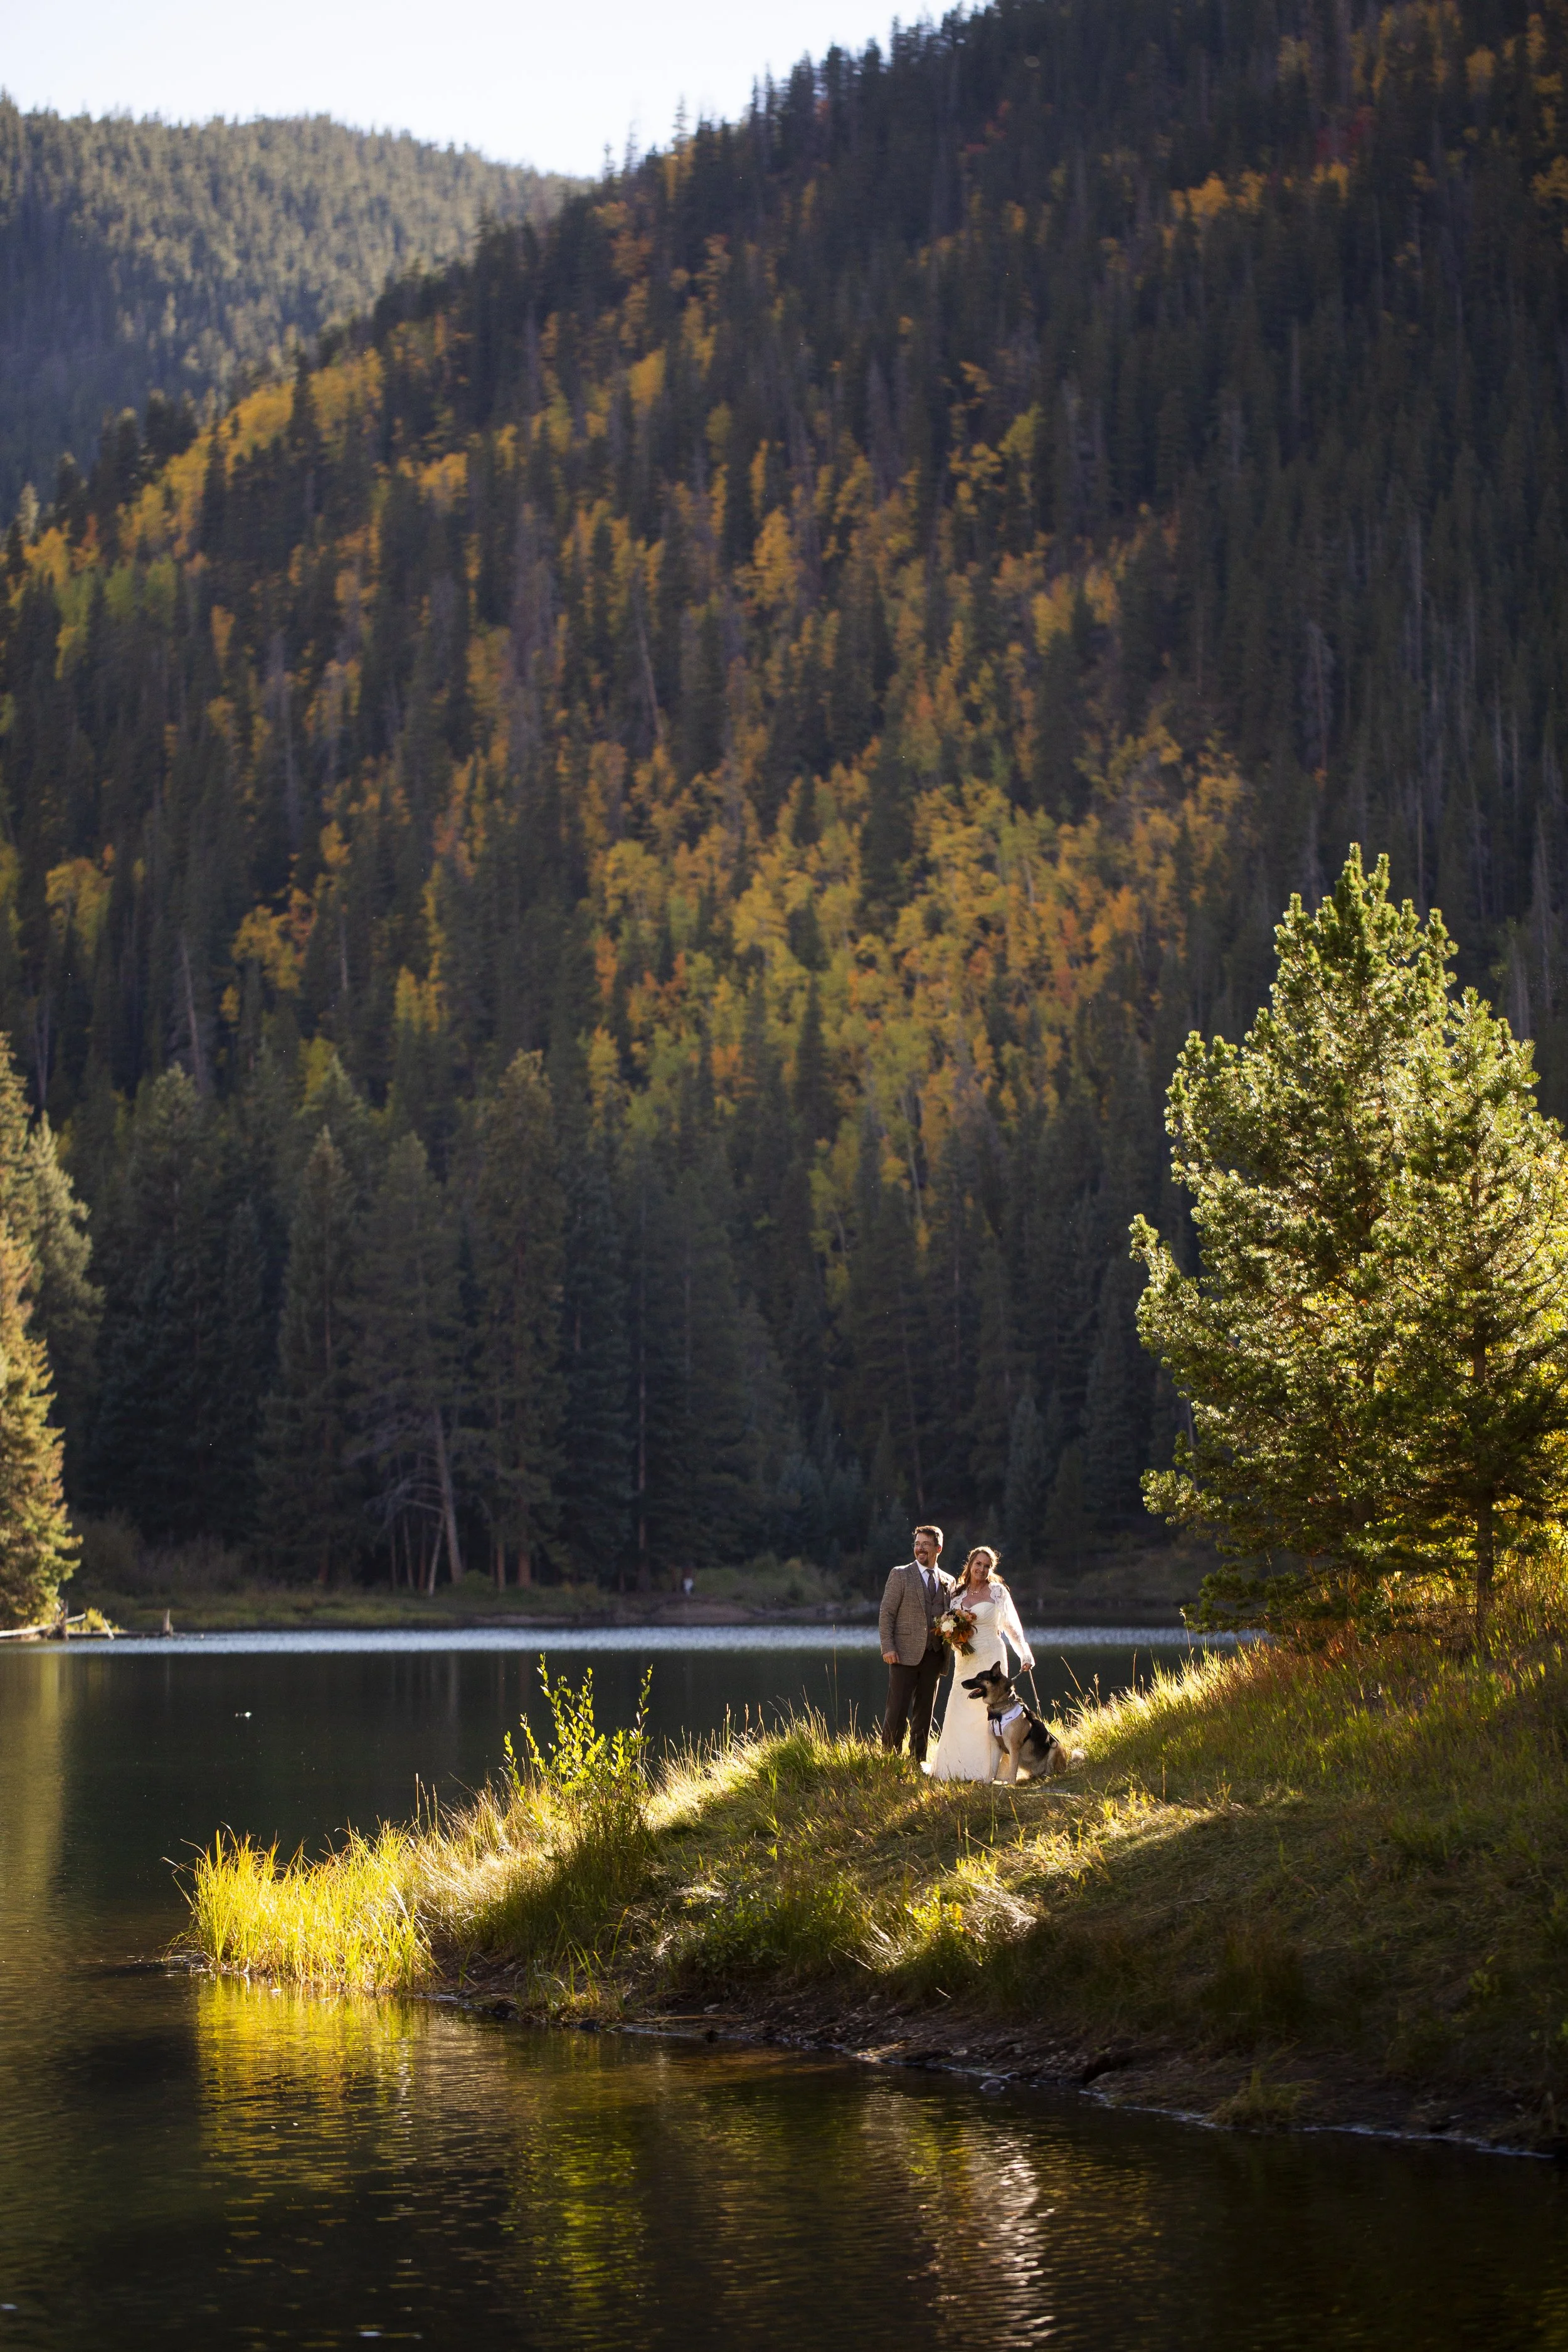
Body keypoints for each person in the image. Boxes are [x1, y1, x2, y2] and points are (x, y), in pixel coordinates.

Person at [924, 1545, 1035, 1783]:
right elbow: (947, 1625)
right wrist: (953, 1635)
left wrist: (1024, 1654)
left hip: (992, 1657)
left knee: (992, 1713)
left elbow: (1012, 1628)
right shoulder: (956, 1593)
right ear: (970, 1563)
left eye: (987, 1566)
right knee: (960, 1705)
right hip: (965, 1659)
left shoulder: (997, 1592)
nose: (982, 1569)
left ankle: (989, 1771)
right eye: (978, 1564)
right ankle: (954, 1768)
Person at [879, 1524, 955, 1765]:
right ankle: (890, 1760)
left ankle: (918, 1761)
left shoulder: (948, 1581)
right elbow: (886, 1613)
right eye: (917, 1544)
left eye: (926, 1544)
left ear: (938, 1548)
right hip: (902, 1654)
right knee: (897, 1710)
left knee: (925, 1712)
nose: (920, 1549)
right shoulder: (900, 1574)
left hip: (934, 1655)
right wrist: (888, 1647)